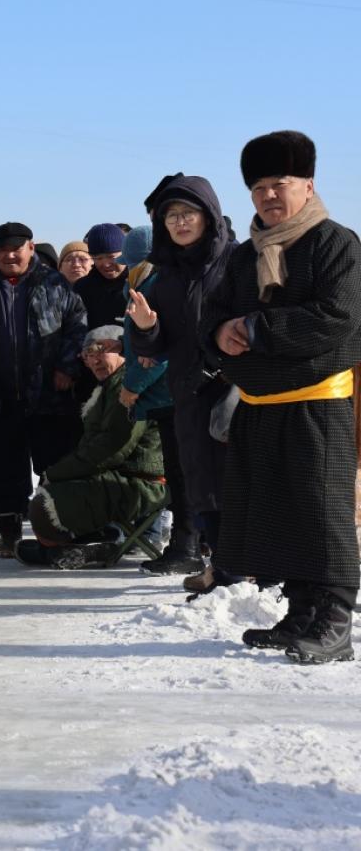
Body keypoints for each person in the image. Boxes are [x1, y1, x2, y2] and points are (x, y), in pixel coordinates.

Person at [201, 131, 361, 664]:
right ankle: (300, 612)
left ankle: (336, 621)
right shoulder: (245, 256)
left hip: (320, 404)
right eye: (260, 187)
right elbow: (214, 315)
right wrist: (221, 333)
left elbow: (338, 318)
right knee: (280, 511)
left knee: (322, 512)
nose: (269, 195)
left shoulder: (337, 242)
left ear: (308, 185)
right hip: (261, 405)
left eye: (281, 184)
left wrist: (257, 327)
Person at [0, 222, 87, 557]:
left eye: (16, 248)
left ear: (31, 248)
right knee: (3, 471)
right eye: (2, 250)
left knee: (54, 465)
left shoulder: (55, 284)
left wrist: (68, 366)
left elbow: (77, 327)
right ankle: (8, 533)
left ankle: (53, 530)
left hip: (48, 396)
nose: (10, 255)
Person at [126, 175, 236, 587]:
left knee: (234, 482)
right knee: (199, 482)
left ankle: (242, 572)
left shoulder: (237, 262)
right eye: (172, 216)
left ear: (208, 215)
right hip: (188, 392)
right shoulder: (168, 277)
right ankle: (220, 570)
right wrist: (146, 327)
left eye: (188, 213)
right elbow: (158, 345)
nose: (181, 222)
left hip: (234, 390)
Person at [15, 325, 166, 569]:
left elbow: (113, 447)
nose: (94, 360)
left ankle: (62, 550)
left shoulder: (128, 386)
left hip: (142, 482)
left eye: (100, 350)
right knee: (50, 493)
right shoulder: (111, 385)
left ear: (123, 348)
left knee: (43, 505)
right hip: (117, 475)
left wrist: (57, 473)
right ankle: (88, 544)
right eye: (87, 355)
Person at [117, 225, 197, 575]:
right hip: (169, 395)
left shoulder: (152, 288)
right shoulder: (153, 284)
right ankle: (188, 542)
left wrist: (132, 386)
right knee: (180, 473)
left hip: (169, 395)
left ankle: (187, 545)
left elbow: (156, 355)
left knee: (182, 474)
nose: (124, 268)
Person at [75, 224, 129, 330]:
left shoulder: (140, 284)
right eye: (98, 258)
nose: (106, 264)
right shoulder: (82, 288)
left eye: (111, 257)